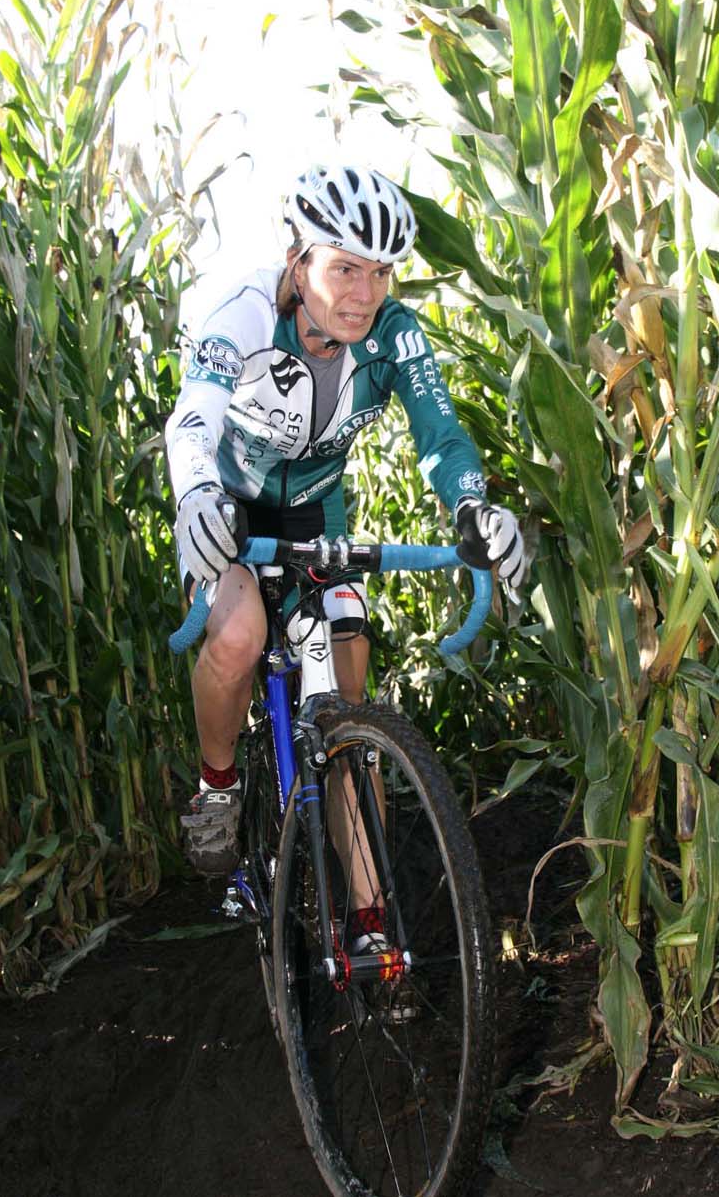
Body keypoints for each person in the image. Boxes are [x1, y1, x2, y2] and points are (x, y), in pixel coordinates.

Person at [165, 164, 525, 898]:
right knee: (235, 637)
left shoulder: (394, 334)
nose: (365, 294)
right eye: (345, 269)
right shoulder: (242, 312)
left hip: (317, 514)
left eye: (382, 273)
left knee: (348, 713)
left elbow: (442, 436)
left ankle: (372, 929)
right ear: (299, 261)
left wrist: (471, 506)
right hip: (230, 510)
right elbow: (194, 415)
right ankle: (218, 785)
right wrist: (198, 492)